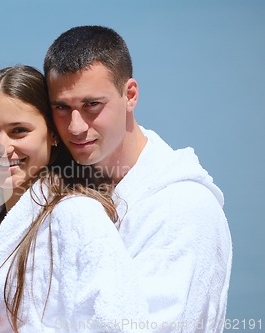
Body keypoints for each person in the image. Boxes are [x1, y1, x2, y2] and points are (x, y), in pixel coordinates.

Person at [0, 65, 147, 333]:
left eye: (19, 130)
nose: (2, 148)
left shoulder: (78, 217)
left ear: (53, 134)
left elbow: (120, 322)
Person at [43, 25, 232, 332]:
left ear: (129, 95)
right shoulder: (59, 187)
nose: (75, 126)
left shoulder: (182, 208)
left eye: (91, 105)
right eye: (62, 108)